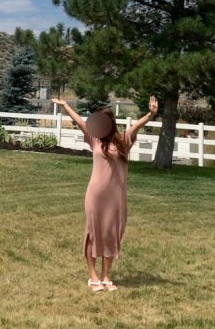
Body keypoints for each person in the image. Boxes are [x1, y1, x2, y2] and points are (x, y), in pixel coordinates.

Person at [52, 95, 159, 292]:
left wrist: (150, 114)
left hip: (116, 198)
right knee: (93, 234)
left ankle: (105, 276)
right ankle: (93, 277)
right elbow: (79, 121)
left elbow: (136, 126)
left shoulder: (123, 141)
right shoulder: (94, 139)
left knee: (111, 235)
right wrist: (65, 105)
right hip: (95, 196)